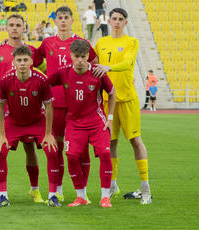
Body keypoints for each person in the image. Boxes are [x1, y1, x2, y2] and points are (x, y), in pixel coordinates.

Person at [37, 6, 98, 203]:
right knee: (56, 147)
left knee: (81, 149)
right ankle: (57, 190)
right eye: (59, 18)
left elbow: (95, 65)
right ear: (55, 21)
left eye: (66, 18)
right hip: (54, 104)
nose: (63, 21)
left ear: (72, 20)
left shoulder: (81, 43)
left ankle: (83, 192)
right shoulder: (47, 43)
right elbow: (34, 60)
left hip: (79, 105)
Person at [0, 14, 46, 204]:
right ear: (6, 28)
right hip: (5, 109)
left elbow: (44, 70)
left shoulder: (32, 51)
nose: (14, 28)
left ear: (24, 27)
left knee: (30, 148)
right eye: (11, 25)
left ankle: (34, 190)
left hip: (29, 107)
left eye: (18, 25)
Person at [93, 8, 152, 204]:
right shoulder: (101, 43)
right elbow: (92, 64)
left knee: (136, 140)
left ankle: (145, 188)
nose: (117, 22)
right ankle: (112, 185)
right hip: (108, 101)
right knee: (111, 143)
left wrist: (109, 67)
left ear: (125, 22)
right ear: (109, 20)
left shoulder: (131, 42)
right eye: (114, 19)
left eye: (121, 19)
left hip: (127, 99)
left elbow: (127, 63)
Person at [48, 39, 116, 208]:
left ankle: (105, 196)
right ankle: (81, 196)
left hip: (96, 122)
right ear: (70, 55)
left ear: (88, 56)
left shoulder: (98, 73)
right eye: (76, 56)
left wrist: (110, 119)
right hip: (73, 123)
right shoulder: (63, 73)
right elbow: (45, 84)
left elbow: (112, 93)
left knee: (105, 154)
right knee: (71, 156)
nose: (79, 60)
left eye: (83, 56)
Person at [0, 45, 60, 207]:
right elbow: (0, 107)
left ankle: (52, 196)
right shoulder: (6, 80)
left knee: (52, 150)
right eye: (19, 60)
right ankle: (3, 195)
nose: (22, 63)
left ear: (31, 61)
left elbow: (49, 106)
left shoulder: (41, 79)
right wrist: (1, 134)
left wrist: (49, 133)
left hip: (37, 121)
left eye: (25, 60)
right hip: (14, 122)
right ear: (14, 62)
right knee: (0, 150)